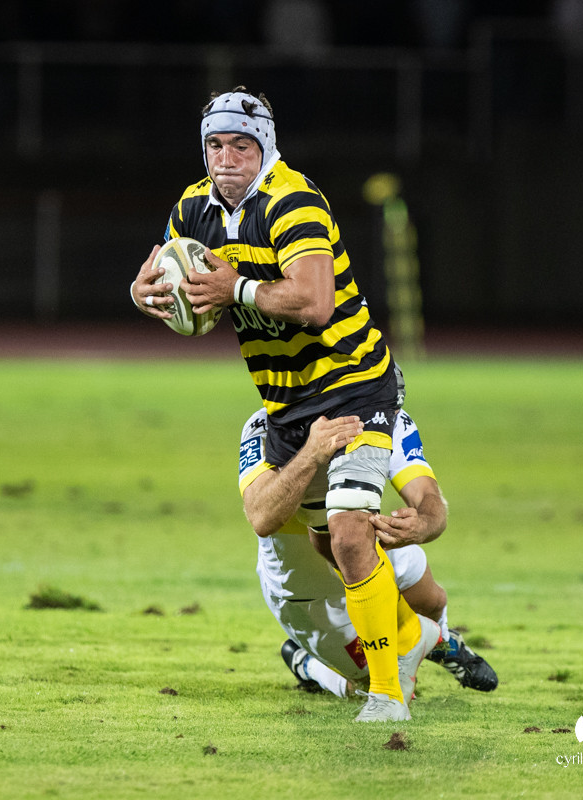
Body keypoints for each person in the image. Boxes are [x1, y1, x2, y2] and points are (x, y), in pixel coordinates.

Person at [132, 86, 419, 721]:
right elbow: (160, 272)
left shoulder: (293, 202)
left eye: (241, 144)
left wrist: (232, 286)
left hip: (355, 384)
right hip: (285, 407)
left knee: (347, 532)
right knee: (324, 542)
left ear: (264, 147)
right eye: (215, 144)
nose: (226, 157)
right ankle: (428, 635)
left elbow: (314, 304)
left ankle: (388, 694)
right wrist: (144, 292)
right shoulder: (191, 209)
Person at [238, 408, 498, 700]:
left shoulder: (385, 413)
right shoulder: (264, 425)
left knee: (432, 601)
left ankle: (442, 642)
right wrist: (311, 453)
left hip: (362, 542)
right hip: (309, 588)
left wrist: (422, 524)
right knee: (371, 680)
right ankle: (309, 664)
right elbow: (262, 518)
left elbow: (429, 499)